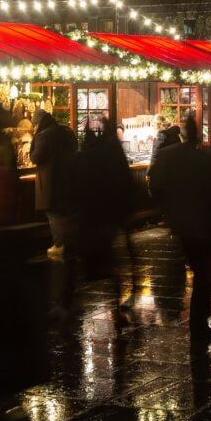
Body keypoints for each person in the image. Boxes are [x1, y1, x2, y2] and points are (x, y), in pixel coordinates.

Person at [148, 114, 211, 347]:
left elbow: (156, 185)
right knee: (204, 277)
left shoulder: (169, 155)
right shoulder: (204, 157)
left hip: (182, 224)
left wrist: (169, 212)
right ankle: (198, 325)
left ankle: (198, 324)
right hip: (204, 224)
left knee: (198, 273)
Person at [75, 119, 136, 322]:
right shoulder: (113, 149)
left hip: (96, 210)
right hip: (114, 207)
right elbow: (124, 176)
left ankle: (74, 305)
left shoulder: (86, 152)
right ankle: (117, 301)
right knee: (117, 254)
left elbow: (81, 182)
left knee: (104, 255)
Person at [30, 109, 78, 263]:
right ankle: (69, 242)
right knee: (64, 211)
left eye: (34, 125)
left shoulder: (43, 136)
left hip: (51, 181)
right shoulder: (65, 131)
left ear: (38, 123)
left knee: (53, 212)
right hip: (68, 178)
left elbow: (35, 157)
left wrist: (33, 138)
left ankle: (59, 244)